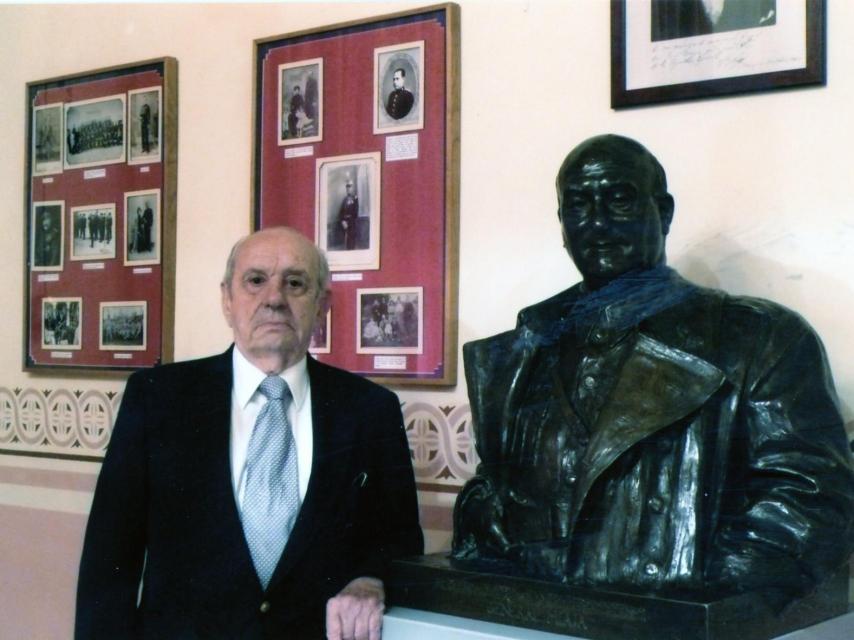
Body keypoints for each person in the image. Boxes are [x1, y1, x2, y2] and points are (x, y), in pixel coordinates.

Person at [452, 135, 854, 607]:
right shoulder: (523, 351)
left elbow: (810, 504)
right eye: (578, 205)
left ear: (663, 212)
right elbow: (491, 493)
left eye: (619, 199)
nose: (597, 222)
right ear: (562, 223)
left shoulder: (759, 339)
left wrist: (666, 576)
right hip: (527, 620)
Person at [76, 226, 423, 639]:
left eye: (295, 283)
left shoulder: (370, 410)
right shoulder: (157, 399)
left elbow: (400, 542)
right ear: (227, 299)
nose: (274, 298)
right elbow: (108, 563)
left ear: (322, 305)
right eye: (256, 280)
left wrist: (370, 580)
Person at [337, 180, 359, 250]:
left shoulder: (355, 198)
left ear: (352, 188)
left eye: (350, 187)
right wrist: (342, 221)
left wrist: (349, 221)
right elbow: (340, 213)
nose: (348, 189)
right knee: (346, 244)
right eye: (347, 187)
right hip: (345, 224)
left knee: (351, 243)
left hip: (352, 223)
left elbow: (356, 212)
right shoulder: (345, 200)